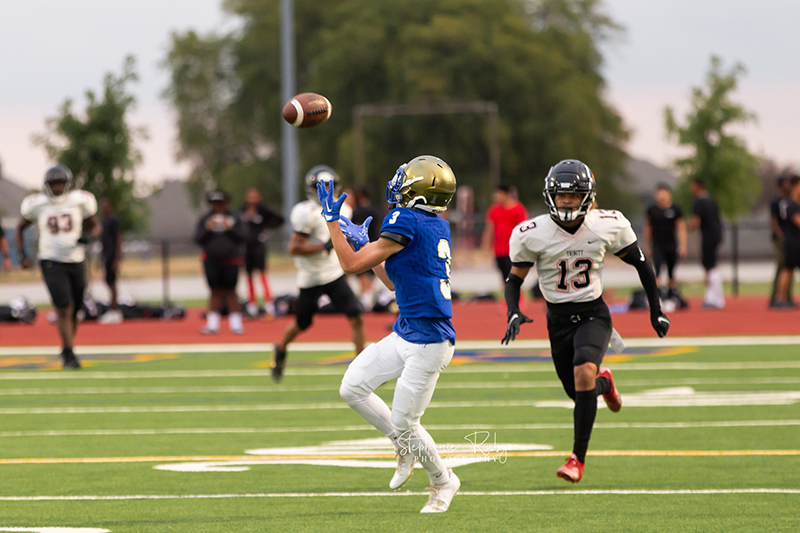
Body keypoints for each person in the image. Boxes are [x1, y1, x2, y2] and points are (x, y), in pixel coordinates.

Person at [501, 159, 670, 484]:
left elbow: (642, 264)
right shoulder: (531, 233)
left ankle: (577, 458)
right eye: (561, 196)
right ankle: (605, 383)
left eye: (573, 196)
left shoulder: (607, 224)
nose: (566, 202)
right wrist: (512, 309)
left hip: (593, 313)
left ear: (588, 197)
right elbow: (514, 280)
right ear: (551, 196)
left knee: (582, 372)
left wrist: (656, 309)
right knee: (578, 391)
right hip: (558, 320)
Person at [319, 155, 461, 513]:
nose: (398, 185)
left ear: (418, 189)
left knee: (405, 422)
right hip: (408, 331)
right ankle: (402, 445)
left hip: (429, 340)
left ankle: (444, 481)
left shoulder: (405, 218)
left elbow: (350, 266)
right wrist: (366, 242)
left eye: (406, 180)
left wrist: (333, 223)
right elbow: (395, 283)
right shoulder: (434, 224)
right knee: (352, 387)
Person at [271, 166, 364, 382]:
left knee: (356, 315)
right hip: (311, 277)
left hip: (334, 274)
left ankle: (362, 368)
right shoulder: (305, 212)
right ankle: (281, 349)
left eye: (328, 186)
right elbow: (293, 248)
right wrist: (322, 247)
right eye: (318, 186)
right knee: (302, 324)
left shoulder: (345, 209)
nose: (323, 190)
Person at [16, 165, 99, 369]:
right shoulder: (38, 204)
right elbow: (19, 228)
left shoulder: (79, 201)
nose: (57, 187)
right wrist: (23, 255)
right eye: (53, 183)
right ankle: (70, 353)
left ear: (68, 184)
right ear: (47, 185)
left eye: (60, 182)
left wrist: (89, 236)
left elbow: (96, 225)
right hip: (51, 260)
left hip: (76, 260)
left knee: (75, 308)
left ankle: (66, 347)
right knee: (64, 305)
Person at [194, 190, 248, 335]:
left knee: (231, 290)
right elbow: (197, 239)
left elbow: (244, 237)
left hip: (231, 259)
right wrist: (208, 229)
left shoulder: (235, 218)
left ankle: (236, 324)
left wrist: (231, 229)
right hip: (211, 260)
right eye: (214, 203)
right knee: (214, 291)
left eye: (220, 203)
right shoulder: (205, 219)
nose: (217, 206)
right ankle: (212, 324)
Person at [239, 188, 284, 317]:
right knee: (248, 275)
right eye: (250, 196)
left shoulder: (263, 210)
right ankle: (251, 305)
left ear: (258, 197)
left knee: (262, 273)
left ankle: (268, 305)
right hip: (246, 247)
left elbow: (280, 220)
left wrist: (266, 227)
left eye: (255, 196)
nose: (252, 199)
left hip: (259, 245)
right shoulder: (242, 210)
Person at [644, 183, 688, 306]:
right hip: (657, 245)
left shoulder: (675, 209)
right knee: (656, 271)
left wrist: (683, 245)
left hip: (671, 245)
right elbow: (647, 229)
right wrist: (647, 246)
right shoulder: (652, 210)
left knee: (671, 273)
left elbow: (681, 227)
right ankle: (656, 298)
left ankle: (670, 296)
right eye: (659, 193)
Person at [482, 184, 528, 283]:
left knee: (514, 275)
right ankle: (506, 296)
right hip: (499, 249)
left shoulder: (517, 209)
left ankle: (518, 297)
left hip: (513, 249)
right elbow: (490, 229)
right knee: (504, 276)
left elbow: (524, 229)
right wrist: (486, 246)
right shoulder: (494, 210)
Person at [690, 178, 725, 309]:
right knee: (711, 264)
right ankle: (713, 296)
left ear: (697, 186)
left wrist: (686, 228)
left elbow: (696, 222)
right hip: (716, 235)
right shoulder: (712, 200)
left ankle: (715, 299)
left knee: (710, 266)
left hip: (708, 236)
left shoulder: (699, 202)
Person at [351, 186, 382, 310]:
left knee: (362, 274)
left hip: (362, 246)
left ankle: (365, 299)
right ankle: (368, 296)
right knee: (372, 273)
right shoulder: (375, 210)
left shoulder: (357, 212)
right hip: (375, 243)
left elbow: (355, 230)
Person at [775, 175, 800, 308]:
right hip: (792, 243)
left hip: (797, 242)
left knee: (789, 270)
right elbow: (797, 221)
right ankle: (781, 298)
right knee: (788, 269)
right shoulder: (791, 204)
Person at [770, 174, 795, 307]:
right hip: (780, 239)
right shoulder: (776, 202)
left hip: (791, 238)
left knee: (790, 265)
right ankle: (775, 297)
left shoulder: (791, 201)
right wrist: (781, 235)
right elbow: (773, 221)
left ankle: (787, 297)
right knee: (782, 265)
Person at [98, 197, 123, 323]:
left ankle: (115, 308)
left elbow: (118, 240)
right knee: (107, 280)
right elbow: (102, 242)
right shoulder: (102, 222)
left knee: (112, 282)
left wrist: (117, 260)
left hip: (112, 256)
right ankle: (112, 305)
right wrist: (100, 258)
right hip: (106, 256)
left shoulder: (113, 222)